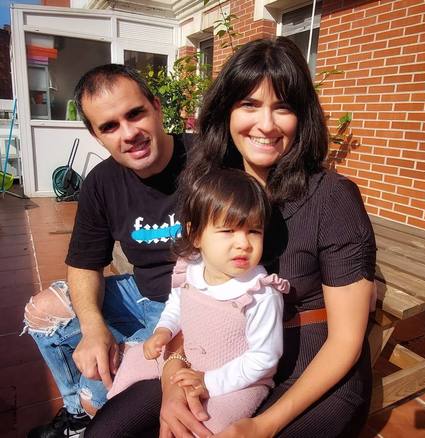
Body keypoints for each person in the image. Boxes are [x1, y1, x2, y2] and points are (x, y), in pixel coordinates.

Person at [87, 36, 376, 438]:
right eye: (249, 104)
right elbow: (194, 293)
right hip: (216, 360)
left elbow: (346, 341)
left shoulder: (331, 199)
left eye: (284, 107)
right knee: (109, 431)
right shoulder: (209, 186)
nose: (266, 124)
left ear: (302, 117)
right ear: (226, 110)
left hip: (311, 372)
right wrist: (174, 371)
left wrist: (262, 426)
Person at [22, 64, 191, 438]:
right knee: (42, 312)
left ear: (157, 107)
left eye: (135, 114)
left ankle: (87, 408)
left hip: (189, 303)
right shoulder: (102, 182)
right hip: (141, 291)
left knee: (96, 394)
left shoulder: (203, 161)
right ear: (96, 135)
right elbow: (84, 263)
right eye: (110, 126)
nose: (129, 134)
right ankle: (75, 418)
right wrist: (93, 326)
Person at [106, 168, 289, 433]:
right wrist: (163, 330)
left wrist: (210, 383)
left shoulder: (260, 292)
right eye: (228, 230)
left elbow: (264, 358)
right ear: (195, 234)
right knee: (132, 363)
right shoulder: (190, 268)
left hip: (238, 383)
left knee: (203, 426)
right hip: (186, 359)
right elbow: (177, 304)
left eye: (254, 231)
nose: (243, 243)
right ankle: (112, 402)